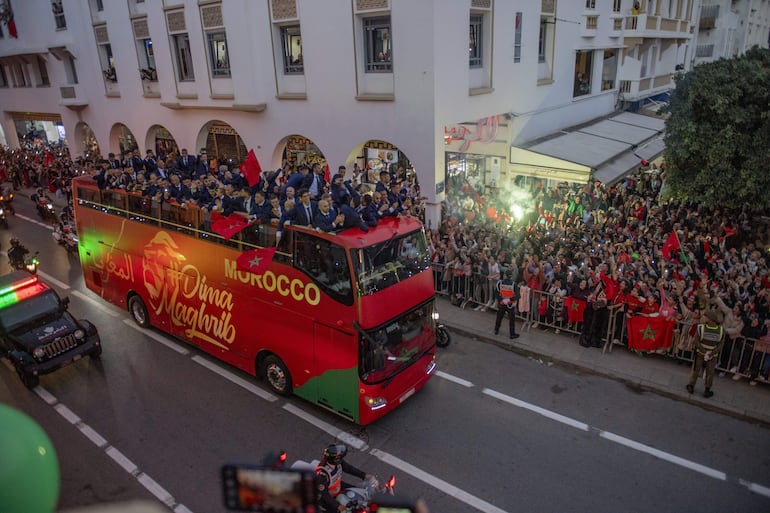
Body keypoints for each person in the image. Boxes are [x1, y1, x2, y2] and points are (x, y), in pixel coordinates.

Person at [315, 444, 372, 513]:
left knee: (360, 494)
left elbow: (349, 469)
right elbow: (325, 495)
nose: (340, 458)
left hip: (339, 486)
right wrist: (338, 506)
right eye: (339, 457)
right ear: (334, 459)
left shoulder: (337, 463)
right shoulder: (322, 475)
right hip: (328, 497)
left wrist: (364, 475)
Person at [687, 309, 724, 398]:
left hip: (700, 353)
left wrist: (704, 352)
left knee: (695, 369)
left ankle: (691, 386)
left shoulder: (701, 328)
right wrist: (711, 353)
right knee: (710, 373)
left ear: (709, 318)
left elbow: (696, 341)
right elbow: (720, 345)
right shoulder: (721, 330)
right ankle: (707, 390)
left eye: (704, 316)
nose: (702, 317)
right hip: (712, 356)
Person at [494, 270, 520, 339]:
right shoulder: (514, 284)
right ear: (511, 276)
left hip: (502, 303)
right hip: (510, 305)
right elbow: (518, 295)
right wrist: (509, 299)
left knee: (499, 317)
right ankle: (512, 334)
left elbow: (496, 293)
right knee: (511, 320)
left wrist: (502, 299)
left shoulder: (500, 283)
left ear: (505, 275)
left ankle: (496, 330)